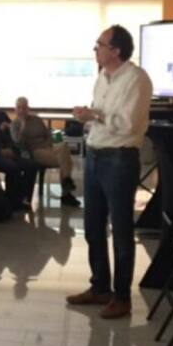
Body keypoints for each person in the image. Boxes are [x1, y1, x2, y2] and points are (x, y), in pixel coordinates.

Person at [67, 24, 153, 319]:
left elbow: (129, 124)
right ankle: (100, 286)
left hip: (119, 159)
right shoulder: (102, 77)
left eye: (100, 45)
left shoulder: (137, 79)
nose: (95, 49)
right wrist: (88, 117)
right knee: (93, 226)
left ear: (115, 50)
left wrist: (95, 115)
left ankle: (122, 297)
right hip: (94, 155)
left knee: (121, 229)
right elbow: (100, 117)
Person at [11, 97, 80, 207]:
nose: (22, 110)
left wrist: (48, 145)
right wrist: (23, 125)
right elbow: (18, 142)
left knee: (64, 147)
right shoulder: (14, 124)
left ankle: (66, 182)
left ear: (28, 108)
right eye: (19, 107)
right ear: (15, 109)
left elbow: (47, 134)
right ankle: (66, 192)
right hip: (35, 151)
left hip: (47, 147)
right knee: (66, 161)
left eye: (24, 107)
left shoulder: (36, 119)